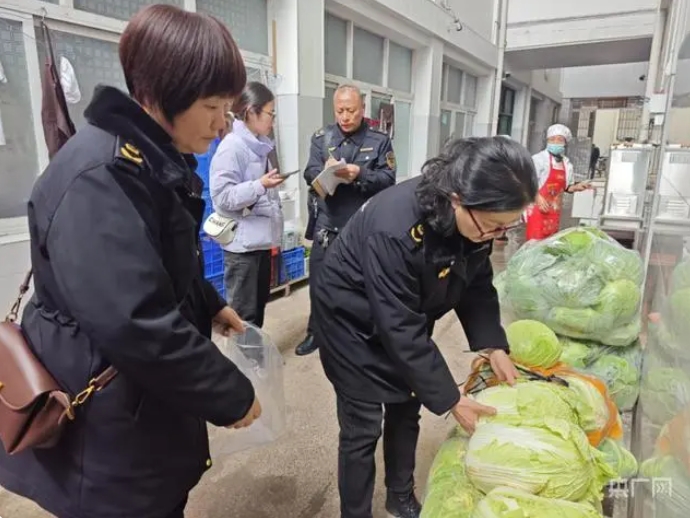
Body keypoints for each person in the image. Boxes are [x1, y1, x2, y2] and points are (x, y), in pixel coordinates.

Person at [0, 6, 262, 518]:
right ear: (164, 92)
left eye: (227, 107)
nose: (222, 123)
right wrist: (228, 392)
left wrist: (207, 302)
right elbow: (134, 318)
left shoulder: (150, 158)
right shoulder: (99, 177)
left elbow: (157, 258)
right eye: (212, 106)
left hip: (135, 409)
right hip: (104, 425)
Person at [311, 137, 533, 518]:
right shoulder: (395, 228)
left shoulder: (473, 223)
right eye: (494, 226)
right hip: (351, 322)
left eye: (507, 227)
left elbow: (476, 282)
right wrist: (450, 398)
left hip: (404, 311)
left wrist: (493, 344)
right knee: (362, 427)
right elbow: (398, 326)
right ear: (458, 198)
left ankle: (399, 495)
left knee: (407, 403)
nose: (497, 236)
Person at [295, 84, 397, 356]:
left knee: (363, 285)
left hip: (363, 228)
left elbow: (388, 179)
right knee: (319, 284)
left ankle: (358, 336)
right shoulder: (322, 138)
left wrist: (359, 173)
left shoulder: (379, 140)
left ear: (362, 109)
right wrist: (326, 172)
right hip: (327, 225)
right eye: (340, 111)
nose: (345, 116)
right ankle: (315, 332)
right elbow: (309, 172)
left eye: (351, 110)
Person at [210, 81, 284, 328]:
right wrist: (260, 185)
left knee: (257, 309)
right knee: (243, 317)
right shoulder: (233, 148)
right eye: (270, 114)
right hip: (242, 249)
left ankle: (254, 362)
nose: (272, 120)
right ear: (251, 112)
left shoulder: (258, 147)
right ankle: (243, 366)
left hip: (259, 242)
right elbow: (222, 197)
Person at [526, 123, 592, 241]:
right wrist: (538, 197)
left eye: (559, 140)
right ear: (547, 141)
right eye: (552, 139)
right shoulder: (539, 159)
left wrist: (578, 187)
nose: (556, 142)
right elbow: (527, 181)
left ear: (565, 143)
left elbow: (567, 187)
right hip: (538, 209)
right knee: (534, 243)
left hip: (554, 211)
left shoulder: (567, 164)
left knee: (550, 242)